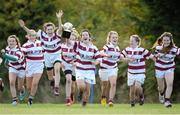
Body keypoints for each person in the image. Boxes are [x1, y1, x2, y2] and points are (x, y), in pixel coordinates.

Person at [18, 10, 63, 96]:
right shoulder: (42, 35)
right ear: (45, 30)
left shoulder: (57, 35)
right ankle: (53, 82)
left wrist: (59, 18)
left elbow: (60, 28)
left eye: (51, 29)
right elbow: (31, 33)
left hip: (57, 55)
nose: (50, 30)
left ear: (53, 29)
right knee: (50, 77)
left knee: (57, 70)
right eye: (48, 29)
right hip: (47, 56)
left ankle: (56, 88)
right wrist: (24, 27)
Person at [121, 35, 154, 107]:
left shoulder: (142, 50)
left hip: (140, 72)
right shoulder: (127, 49)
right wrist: (127, 59)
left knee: (137, 87)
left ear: (137, 42)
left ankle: (141, 96)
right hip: (131, 72)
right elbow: (121, 56)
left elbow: (152, 56)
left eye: (132, 41)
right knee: (132, 89)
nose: (130, 42)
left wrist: (157, 61)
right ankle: (132, 103)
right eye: (130, 41)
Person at [74, 29, 101, 106]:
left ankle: (84, 103)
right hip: (80, 69)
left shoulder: (94, 48)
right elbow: (69, 42)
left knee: (88, 89)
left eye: (86, 35)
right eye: (83, 35)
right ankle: (80, 92)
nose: (85, 36)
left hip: (89, 70)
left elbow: (99, 59)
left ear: (89, 37)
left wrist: (95, 62)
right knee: (81, 86)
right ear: (81, 37)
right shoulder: (78, 45)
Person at [152, 32, 180, 107]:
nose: (166, 42)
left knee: (170, 83)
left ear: (171, 40)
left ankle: (167, 101)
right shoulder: (158, 48)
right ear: (162, 40)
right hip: (159, 68)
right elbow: (154, 57)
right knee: (161, 88)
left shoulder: (175, 49)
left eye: (168, 40)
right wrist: (156, 57)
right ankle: (161, 94)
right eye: (164, 40)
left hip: (169, 68)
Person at [1, 35, 25, 106]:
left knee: (19, 87)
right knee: (11, 82)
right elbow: (8, 56)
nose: (11, 42)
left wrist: (5, 55)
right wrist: (5, 62)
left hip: (21, 69)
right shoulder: (7, 48)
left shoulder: (19, 50)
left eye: (13, 41)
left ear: (16, 43)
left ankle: (22, 91)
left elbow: (14, 59)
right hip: (12, 67)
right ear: (7, 42)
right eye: (9, 41)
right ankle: (15, 100)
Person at [21, 30, 44, 106]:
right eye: (30, 35)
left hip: (39, 65)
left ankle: (30, 99)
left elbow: (47, 51)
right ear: (27, 36)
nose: (32, 37)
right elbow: (22, 56)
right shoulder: (25, 45)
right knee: (29, 87)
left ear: (36, 36)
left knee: (35, 83)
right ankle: (24, 89)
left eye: (34, 35)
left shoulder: (41, 43)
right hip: (29, 66)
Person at [99, 31, 121, 107]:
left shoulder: (118, 48)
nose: (115, 39)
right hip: (104, 68)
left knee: (113, 83)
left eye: (116, 37)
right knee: (105, 86)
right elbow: (100, 53)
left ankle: (111, 100)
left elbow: (119, 58)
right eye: (113, 37)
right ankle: (103, 97)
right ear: (109, 39)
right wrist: (106, 55)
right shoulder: (107, 46)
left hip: (113, 68)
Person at [60, 24, 78, 106]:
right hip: (66, 64)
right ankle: (67, 99)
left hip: (74, 66)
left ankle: (71, 95)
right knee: (68, 80)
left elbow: (81, 56)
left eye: (74, 38)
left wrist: (76, 62)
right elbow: (58, 54)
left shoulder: (77, 45)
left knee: (73, 85)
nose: (72, 39)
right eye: (71, 37)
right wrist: (60, 62)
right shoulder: (63, 46)